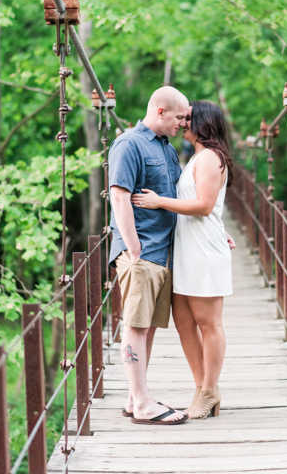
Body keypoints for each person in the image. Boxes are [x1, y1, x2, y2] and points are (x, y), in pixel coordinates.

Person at [131, 100, 236, 420]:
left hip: (203, 250)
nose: (182, 122)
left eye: (188, 118)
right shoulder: (196, 158)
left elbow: (204, 206)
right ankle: (202, 387)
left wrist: (159, 201)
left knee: (208, 322)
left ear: (204, 122)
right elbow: (206, 205)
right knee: (184, 321)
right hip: (188, 248)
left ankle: (208, 391)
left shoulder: (209, 158)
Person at [108, 86, 190, 425]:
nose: (185, 124)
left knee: (148, 327)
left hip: (163, 253)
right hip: (141, 252)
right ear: (160, 112)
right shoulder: (129, 144)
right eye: (180, 117)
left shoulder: (167, 149)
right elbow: (118, 195)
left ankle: (134, 396)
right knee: (136, 326)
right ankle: (142, 403)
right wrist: (133, 245)